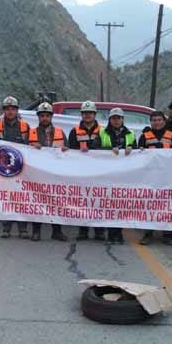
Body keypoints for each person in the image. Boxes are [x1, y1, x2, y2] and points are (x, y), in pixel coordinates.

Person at [137, 110, 172, 245]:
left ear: (164, 120)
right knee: (149, 204)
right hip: (151, 175)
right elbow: (139, 152)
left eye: (159, 120)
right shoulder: (145, 135)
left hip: (168, 175)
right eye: (154, 120)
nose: (156, 122)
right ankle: (148, 233)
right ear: (151, 122)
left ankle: (167, 234)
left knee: (167, 204)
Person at [28, 102, 69, 242]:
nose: (44, 118)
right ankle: (36, 231)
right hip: (37, 173)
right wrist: (32, 146)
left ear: (51, 117)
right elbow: (23, 150)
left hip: (55, 173)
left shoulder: (60, 132)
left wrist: (66, 150)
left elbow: (68, 151)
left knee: (56, 202)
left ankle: (57, 231)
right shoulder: (31, 132)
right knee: (37, 202)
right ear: (38, 117)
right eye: (42, 116)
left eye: (47, 115)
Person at [0, 96, 31, 239]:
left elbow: (30, 146)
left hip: (20, 167)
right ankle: (6, 227)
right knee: (6, 198)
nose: (10, 111)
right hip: (3, 168)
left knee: (21, 197)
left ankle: (23, 228)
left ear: (17, 110)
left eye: (12, 109)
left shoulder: (25, 126)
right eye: (7, 109)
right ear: (3, 110)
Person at [68, 101, 105, 242]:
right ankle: (83, 230)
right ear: (81, 115)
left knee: (98, 201)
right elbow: (70, 151)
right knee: (82, 201)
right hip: (81, 172)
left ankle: (99, 231)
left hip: (98, 172)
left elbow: (107, 148)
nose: (87, 115)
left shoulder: (102, 131)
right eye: (85, 113)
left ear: (94, 114)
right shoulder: (75, 131)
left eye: (90, 113)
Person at [99, 107, 136, 244]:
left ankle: (119, 233)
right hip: (107, 173)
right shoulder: (102, 132)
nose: (116, 120)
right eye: (113, 118)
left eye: (118, 118)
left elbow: (138, 151)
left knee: (121, 204)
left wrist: (132, 147)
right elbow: (95, 149)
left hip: (124, 174)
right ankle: (109, 233)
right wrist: (109, 149)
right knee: (108, 204)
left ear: (122, 119)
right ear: (110, 119)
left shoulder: (130, 133)